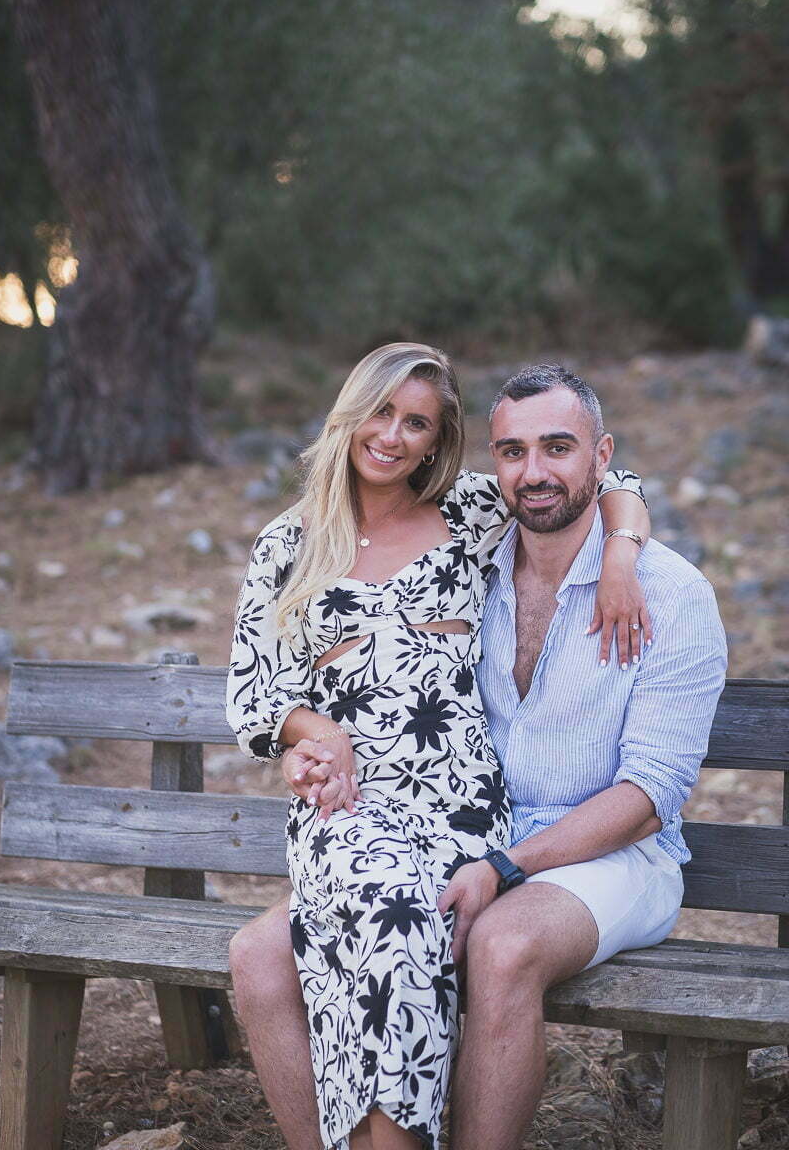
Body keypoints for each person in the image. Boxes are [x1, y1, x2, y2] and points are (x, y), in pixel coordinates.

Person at [226, 345, 650, 1150]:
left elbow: (612, 482)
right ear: (350, 415)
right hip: (350, 804)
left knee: (409, 932)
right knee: (392, 914)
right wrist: (315, 733)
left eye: (416, 423)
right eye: (381, 412)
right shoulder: (289, 543)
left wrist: (622, 555)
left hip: (461, 805)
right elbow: (255, 697)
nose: (392, 436)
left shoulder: (469, 512)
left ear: (435, 441)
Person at [435, 364, 727, 1149]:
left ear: (602, 456)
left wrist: (505, 866)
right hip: (473, 841)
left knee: (502, 946)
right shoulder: (468, 566)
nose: (533, 472)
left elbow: (649, 798)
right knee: (274, 948)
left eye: (557, 448)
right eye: (512, 451)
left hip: (618, 856)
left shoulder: (672, 595)